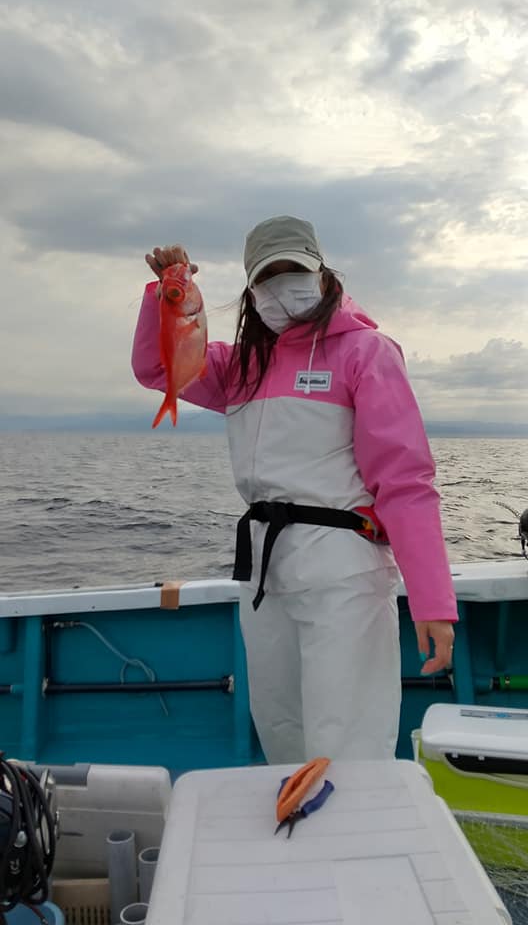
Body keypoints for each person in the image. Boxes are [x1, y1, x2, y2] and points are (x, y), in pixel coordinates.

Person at [132, 215, 457, 764]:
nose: (282, 285)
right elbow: (155, 370)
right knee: (281, 727)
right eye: (268, 276)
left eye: (294, 271)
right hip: (265, 568)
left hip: (344, 568)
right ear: (251, 290)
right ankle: (301, 837)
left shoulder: (366, 352)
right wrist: (167, 295)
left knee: (346, 737)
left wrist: (432, 600)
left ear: (321, 271)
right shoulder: (239, 365)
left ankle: (354, 840)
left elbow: (405, 482)